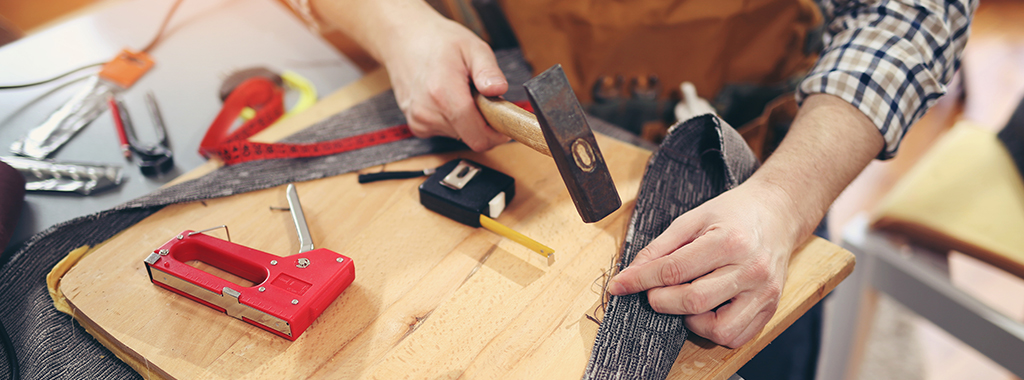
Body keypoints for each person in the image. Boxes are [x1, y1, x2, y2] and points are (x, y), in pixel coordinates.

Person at [301, 0, 974, 376]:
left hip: (754, 191)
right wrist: (401, 27)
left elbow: (913, 13)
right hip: (497, 147)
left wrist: (788, 199)